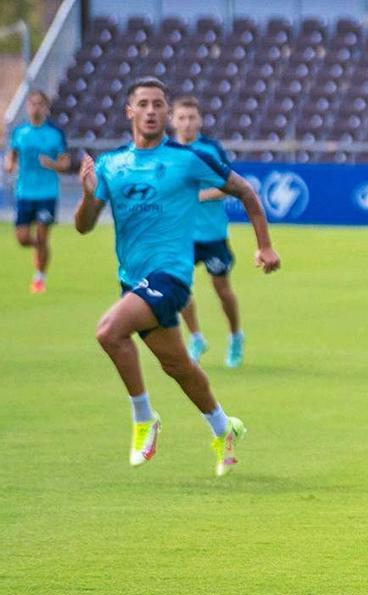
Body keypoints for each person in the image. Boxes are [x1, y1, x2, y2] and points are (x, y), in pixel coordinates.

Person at [74, 77, 282, 476]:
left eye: (158, 105)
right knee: (179, 366)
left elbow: (246, 193)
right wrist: (86, 196)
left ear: (167, 114)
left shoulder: (187, 159)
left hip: (171, 275)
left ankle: (143, 419)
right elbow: (83, 227)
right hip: (132, 279)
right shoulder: (111, 165)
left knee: (108, 332)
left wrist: (265, 245)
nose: (152, 111)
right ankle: (224, 428)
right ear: (130, 112)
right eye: (144, 104)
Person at [169, 96, 244, 367]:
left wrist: (198, 196)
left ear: (200, 120)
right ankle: (197, 337)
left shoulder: (210, 150)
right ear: (172, 121)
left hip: (212, 234)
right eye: (181, 118)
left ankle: (235, 335)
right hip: (180, 235)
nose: (187, 123)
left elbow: (229, 187)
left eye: (191, 118)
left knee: (222, 289)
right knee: (178, 287)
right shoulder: (165, 151)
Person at [5, 90, 70, 293]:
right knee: (23, 238)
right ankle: (40, 248)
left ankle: (39, 278)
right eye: (32, 104)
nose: (36, 107)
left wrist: (52, 164)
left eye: (40, 104)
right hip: (24, 192)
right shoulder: (20, 132)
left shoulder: (54, 133)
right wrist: (9, 164)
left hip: (47, 193)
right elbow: (12, 155)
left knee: (42, 235)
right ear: (27, 107)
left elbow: (65, 162)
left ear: (46, 107)